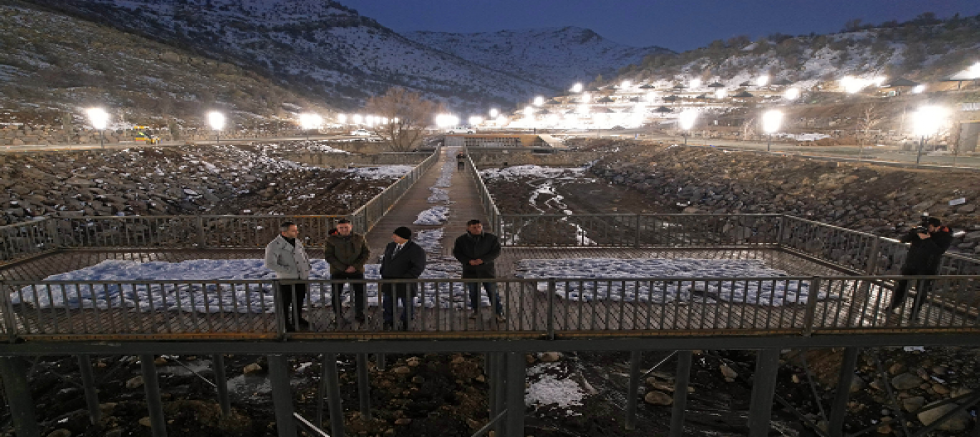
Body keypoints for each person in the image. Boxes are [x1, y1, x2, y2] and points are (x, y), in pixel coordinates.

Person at [888, 216, 953, 319]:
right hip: (911, 264)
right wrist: (913, 232)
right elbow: (903, 240)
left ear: (937, 227)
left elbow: (938, 251)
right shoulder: (920, 231)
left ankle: (914, 313)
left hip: (927, 267)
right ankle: (893, 305)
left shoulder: (944, 236)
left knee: (921, 291)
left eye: (929, 227)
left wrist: (927, 239)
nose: (927, 229)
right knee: (901, 286)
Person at [453, 219, 506, 322]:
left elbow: (496, 252)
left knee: (492, 292)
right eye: (474, 227)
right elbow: (457, 253)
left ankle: (498, 312)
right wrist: (468, 261)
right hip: (470, 270)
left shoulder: (491, 238)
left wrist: (483, 260)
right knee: (473, 293)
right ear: (468, 228)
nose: (477, 229)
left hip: (487, 270)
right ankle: (476, 311)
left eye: (479, 227)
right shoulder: (461, 240)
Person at [264, 222, 312, 331]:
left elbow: (304, 255)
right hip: (287, 278)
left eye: (296, 230)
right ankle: (285, 323)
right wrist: (287, 270)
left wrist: (307, 266)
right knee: (285, 302)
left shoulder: (297, 241)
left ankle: (297, 319)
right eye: (293, 231)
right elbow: (270, 263)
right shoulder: (274, 245)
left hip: (301, 276)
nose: (297, 232)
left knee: (299, 299)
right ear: (284, 232)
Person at [324, 219, 371, 324]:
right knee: (336, 294)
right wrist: (343, 268)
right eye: (341, 227)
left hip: (356, 270)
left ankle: (360, 313)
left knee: (360, 292)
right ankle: (338, 315)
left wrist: (355, 266)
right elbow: (329, 256)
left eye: (346, 227)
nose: (344, 229)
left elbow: (366, 253)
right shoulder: (331, 240)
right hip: (338, 270)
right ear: (337, 228)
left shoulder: (359, 238)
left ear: (351, 227)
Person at [379, 226, 426, 330]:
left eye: (395, 235)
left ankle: (406, 321)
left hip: (406, 282)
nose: (393, 237)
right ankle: (388, 320)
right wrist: (383, 271)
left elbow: (418, 267)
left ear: (403, 237)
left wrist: (405, 278)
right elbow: (385, 260)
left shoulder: (416, 250)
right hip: (389, 280)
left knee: (407, 303)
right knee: (388, 302)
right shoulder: (390, 246)